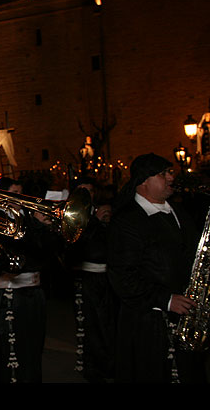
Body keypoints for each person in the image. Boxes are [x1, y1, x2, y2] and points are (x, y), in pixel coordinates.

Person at [107, 152, 207, 383]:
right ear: (143, 181)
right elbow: (122, 276)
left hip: (185, 318)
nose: (171, 177)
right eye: (163, 173)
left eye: (170, 172)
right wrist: (166, 299)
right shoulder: (127, 220)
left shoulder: (179, 212)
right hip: (148, 324)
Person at [0, 177, 61, 383]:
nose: (18, 198)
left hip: (34, 290)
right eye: (13, 193)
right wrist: (36, 225)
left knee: (34, 343)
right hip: (10, 293)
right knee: (12, 347)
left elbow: (44, 254)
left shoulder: (28, 217)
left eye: (20, 192)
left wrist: (46, 227)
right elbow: (14, 251)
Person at [66, 179, 117, 383]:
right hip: (87, 277)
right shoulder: (76, 215)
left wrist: (107, 223)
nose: (87, 195)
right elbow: (75, 249)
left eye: (90, 191)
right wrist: (94, 221)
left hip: (108, 276)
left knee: (109, 325)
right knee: (91, 326)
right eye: (82, 191)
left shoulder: (104, 209)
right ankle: (93, 368)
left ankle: (110, 365)